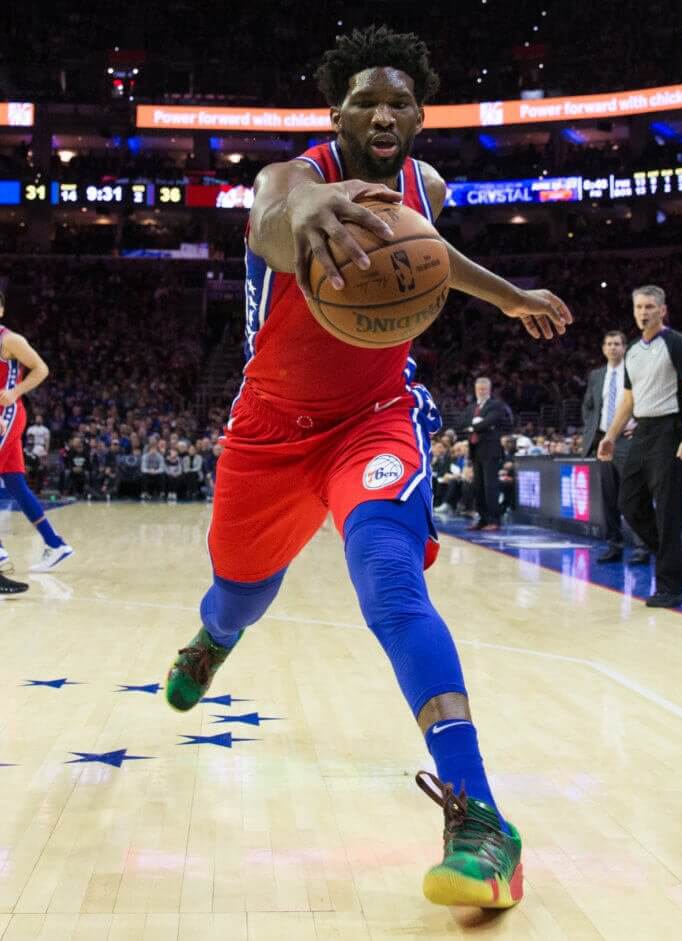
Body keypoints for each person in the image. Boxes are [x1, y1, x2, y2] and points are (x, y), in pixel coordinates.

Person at [165, 26, 572, 910]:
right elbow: (275, 212)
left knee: (389, 583)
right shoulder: (294, 179)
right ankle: (216, 639)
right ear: (337, 112)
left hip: (375, 418)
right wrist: (304, 213)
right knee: (237, 589)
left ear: (419, 113)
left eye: (399, 101)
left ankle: (480, 819)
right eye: (364, 101)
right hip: (268, 428)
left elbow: (427, 256)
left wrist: (510, 296)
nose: (383, 113)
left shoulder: (426, 184)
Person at [598, 285, 682, 607]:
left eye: (650, 306)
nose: (643, 312)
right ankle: (681, 563)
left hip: (671, 429)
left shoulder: (676, 343)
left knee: (668, 511)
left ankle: (671, 588)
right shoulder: (633, 350)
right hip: (643, 430)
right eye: (639, 307)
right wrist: (610, 435)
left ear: (662, 310)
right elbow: (628, 400)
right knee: (629, 502)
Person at [0, 290, 73, 573]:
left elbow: (41, 368)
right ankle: (55, 544)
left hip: (7, 413)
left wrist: (15, 390)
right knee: (17, 485)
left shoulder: (10, 340)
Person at [582, 331, 649, 564]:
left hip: (627, 440)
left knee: (634, 494)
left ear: (624, 348)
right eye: (609, 344)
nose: (613, 348)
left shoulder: (633, 373)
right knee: (609, 498)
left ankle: (642, 547)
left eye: (617, 344)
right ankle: (614, 545)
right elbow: (589, 406)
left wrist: (639, 426)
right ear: (603, 348)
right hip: (604, 441)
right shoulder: (596, 375)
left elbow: (647, 401)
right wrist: (594, 432)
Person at [463, 377, 509, 531]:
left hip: (491, 451)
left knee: (491, 487)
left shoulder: (496, 405)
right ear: (475, 390)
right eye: (479, 389)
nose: (481, 391)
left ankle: (494, 520)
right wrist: (475, 425)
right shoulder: (471, 407)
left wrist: (474, 426)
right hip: (476, 450)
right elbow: (463, 422)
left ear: (489, 390)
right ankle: (482, 519)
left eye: (484, 389)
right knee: (478, 487)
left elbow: (489, 421)